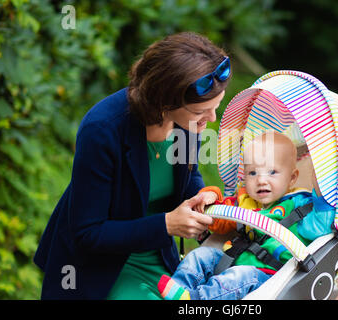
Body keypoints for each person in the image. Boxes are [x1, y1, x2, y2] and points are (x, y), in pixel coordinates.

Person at [33, 32, 231, 300]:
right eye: (201, 111)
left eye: (215, 107)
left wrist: (201, 196)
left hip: (157, 255)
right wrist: (167, 225)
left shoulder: (186, 123)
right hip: (100, 270)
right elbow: (88, 233)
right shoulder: (102, 130)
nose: (211, 118)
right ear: (165, 102)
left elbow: (188, 174)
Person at [157, 132, 336, 300]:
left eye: (272, 172)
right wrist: (210, 197)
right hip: (232, 260)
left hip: (267, 276)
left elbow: (321, 224)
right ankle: (180, 287)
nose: (261, 180)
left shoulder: (299, 205)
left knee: (239, 276)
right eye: (252, 173)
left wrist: (322, 188)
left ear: (292, 178)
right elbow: (216, 222)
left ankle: (194, 299)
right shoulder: (244, 201)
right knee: (201, 255)